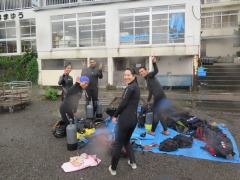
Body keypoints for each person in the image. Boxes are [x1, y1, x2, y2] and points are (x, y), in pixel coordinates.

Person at [109, 68, 140, 176]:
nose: (126, 77)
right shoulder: (136, 86)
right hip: (133, 120)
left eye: (128, 75)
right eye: (125, 75)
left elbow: (123, 104)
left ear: (134, 76)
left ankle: (113, 169)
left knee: (118, 145)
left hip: (125, 119)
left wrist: (115, 115)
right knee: (126, 141)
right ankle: (133, 162)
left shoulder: (130, 88)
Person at [138, 56, 175, 136]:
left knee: (156, 115)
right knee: (160, 114)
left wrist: (154, 63)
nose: (141, 73)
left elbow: (156, 70)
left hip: (158, 97)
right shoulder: (147, 80)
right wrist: (148, 100)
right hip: (161, 96)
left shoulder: (150, 75)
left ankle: (152, 131)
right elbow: (151, 91)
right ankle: (165, 130)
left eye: (142, 71)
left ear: (146, 71)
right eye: (140, 72)